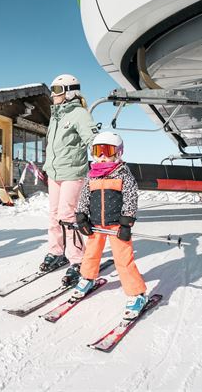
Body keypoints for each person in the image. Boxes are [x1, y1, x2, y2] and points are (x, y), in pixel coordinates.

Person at [72, 131, 147, 319]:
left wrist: (127, 222)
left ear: (118, 153)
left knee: (123, 259)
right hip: (96, 224)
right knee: (91, 254)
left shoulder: (124, 174)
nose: (102, 155)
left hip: (116, 226)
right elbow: (84, 197)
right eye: (97, 151)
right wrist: (81, 216)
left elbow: (131, 198)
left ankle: (137, 294)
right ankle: (87, 278)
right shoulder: (92, 175)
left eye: (107, 150)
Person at [41, 74, 98, 286]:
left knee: (67, 216)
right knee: (54, 215)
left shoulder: (80, 114)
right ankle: (57, 252)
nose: (52, 95)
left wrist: (103, 157)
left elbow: (92, 139)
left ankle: (77, 259)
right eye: (52, 90)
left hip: (73, 173)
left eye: (56, 90)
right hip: (55, 173)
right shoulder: (55, 117)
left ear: (69, 91)